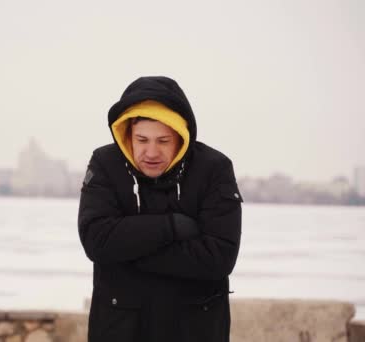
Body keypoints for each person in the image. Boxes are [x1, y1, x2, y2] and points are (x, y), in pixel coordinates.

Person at [78, 76, 243, 342]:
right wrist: (173, 226)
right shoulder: (106, 164)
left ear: (180, 136)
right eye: (142, 140)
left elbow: (219, 258)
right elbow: (96, 240)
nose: (151, 152)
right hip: (121, 328)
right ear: (127, 135)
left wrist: (128, 252)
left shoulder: (214, 168)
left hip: (194, 329)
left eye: (163, 141)